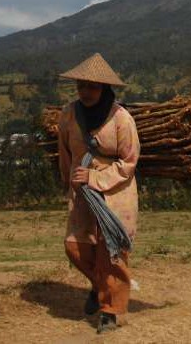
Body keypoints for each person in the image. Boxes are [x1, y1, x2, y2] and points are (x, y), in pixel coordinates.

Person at [56, 53, 140, 334]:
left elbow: (128, 162)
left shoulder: (121, 118)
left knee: (110, 252)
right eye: (81, 86)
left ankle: (110, 311)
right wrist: (70, 184)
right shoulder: (68, 114)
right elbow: (65, 154)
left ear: (104, 88)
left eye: (92, 87)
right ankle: (100, 285)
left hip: (117, 192)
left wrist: (95, 176)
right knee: (75, 246)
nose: (86, 92)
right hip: (82, 191)